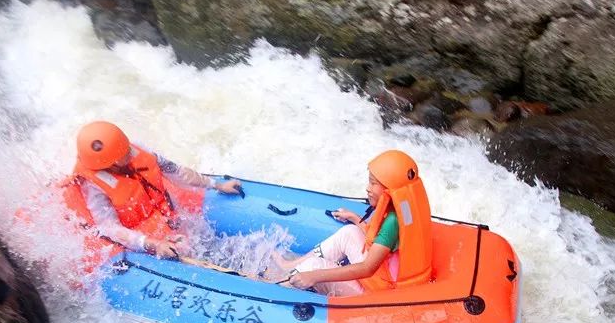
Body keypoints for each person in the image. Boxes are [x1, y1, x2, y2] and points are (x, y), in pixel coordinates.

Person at [64, 121, 241, 259]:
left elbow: (177, 171)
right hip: (144, 239)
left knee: (215, 245)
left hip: (171, 220)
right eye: (122, 153)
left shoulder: (137, 149)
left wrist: (216, 185)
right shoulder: (94, 186)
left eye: (125, 147)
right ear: (108, 164)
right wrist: (152, 244)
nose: (129, 152)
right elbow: (110, 228)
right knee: (195, 253)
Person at [276, 150, 433, 296]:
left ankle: (273, 287)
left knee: (313, 267)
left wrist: (313, 276)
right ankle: (289, 266)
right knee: (349, 232)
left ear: (389, 190)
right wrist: (354, 217)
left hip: (379, 292)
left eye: (373, 183)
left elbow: (367, 269)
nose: (367, 188)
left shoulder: (393, 222)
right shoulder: (404, 206)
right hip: (383, 275)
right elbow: (378, 241)